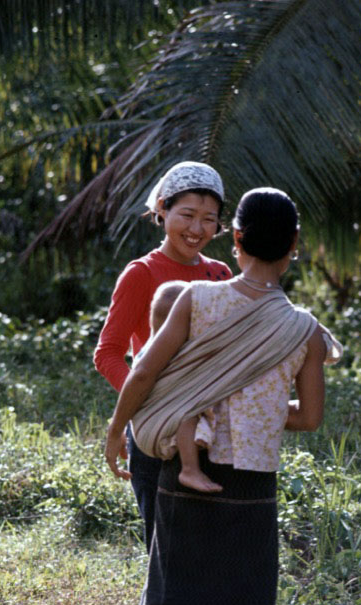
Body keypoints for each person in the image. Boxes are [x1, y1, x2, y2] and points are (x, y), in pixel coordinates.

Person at [105, 187, 342, 605]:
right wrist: (257, 411)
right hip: (252, 479)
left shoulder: (194, 299)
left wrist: (118, 430)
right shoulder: (304, 330)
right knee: (245, 595)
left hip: (182, 469)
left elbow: (143, 374)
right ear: (293, 249)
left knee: (171, 584)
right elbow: (308, 417)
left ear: (234, 239)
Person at [94, 160, 232, 550]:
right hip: (155, 428)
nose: (196, 229)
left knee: (211, 547)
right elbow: (108, 353)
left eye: (209, 219)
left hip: (212, 427)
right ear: (162, 210)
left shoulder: (221, 275)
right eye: (186, 215)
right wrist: (142, 400)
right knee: (166, 546)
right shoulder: (142, 273)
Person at [141, 279, 222, 493]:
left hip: (154, 417)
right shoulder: (167, 353)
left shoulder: (148, 349)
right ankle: (190, 468)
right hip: (167, 413)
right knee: (189, 415)